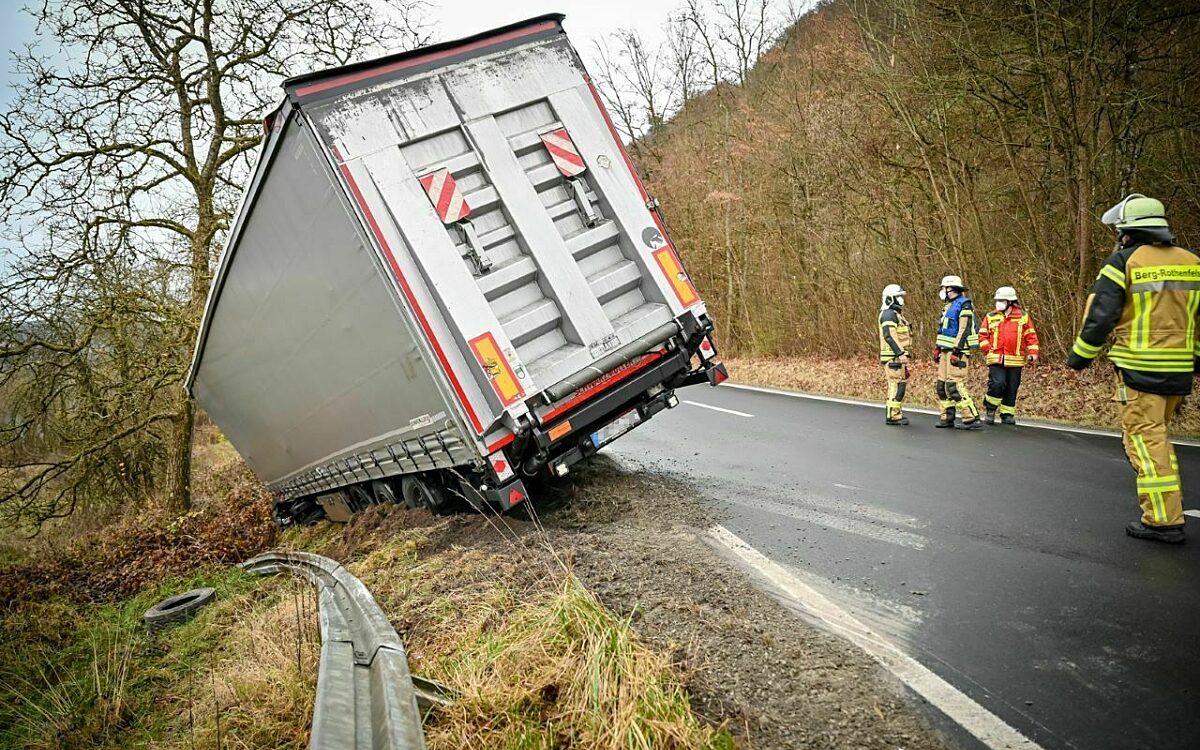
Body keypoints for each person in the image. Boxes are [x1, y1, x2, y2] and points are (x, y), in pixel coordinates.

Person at [1067, 193, 1199, 544]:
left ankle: (1163, 520)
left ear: (1127, 231)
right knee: (1158, 437)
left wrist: (1080, 357)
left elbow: (1099, 317)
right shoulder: (1191, 262)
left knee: (1145, 440)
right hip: (1180, 371)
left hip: (1140, 371)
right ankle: (1167, 511)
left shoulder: (1123, 263)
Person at [978, 286, 1040, 425]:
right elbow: (982, 335)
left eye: (1001, 300)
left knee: (1012, 387)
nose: (998, 303)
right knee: (997, 383)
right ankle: (990, 409)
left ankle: (1007, 413)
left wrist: (1033, 353)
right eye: (997, 300)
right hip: (996, 358)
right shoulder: (991, 316)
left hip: (1015, 360)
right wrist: (988, 349)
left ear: (1010, 302)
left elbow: (1030, 336)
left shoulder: (1022, 317)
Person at [933, 275, 983, 429]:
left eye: (943, 288)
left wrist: (956, 350)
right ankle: (947, 417)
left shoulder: (964, 305)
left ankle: (971, 418)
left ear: (950, 289)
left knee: (954, 385)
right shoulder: (948, 306)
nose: (942, 291)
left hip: (958, 352)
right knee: (942, 386)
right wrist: (938, 348)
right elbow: (944, 329)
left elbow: (964, 329)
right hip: (945, 351)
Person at [878, 283, 911, 425]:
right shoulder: (888, 315)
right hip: (894, 357)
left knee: (900, 385)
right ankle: (892, 415)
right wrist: (901, 353)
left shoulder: (895, 315)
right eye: (898, 297)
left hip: (897, 357)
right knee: (896, 385)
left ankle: (896, 413)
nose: (901, 300)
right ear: (890, 299)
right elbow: (889, 336)